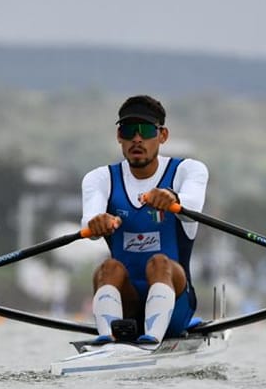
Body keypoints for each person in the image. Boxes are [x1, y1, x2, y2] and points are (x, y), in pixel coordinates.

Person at [80, 94, 209, 345]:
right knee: (108, 268)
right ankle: (108, 340)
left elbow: (192, 203)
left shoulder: (188, 170)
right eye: (129, 131)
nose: (137, 139)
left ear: (162, 135)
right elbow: (88, 222)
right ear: (119, 136)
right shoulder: (100, 178)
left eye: (146, 130)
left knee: (160, 263)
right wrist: (97, 223)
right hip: (125, 303)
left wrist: (172, 197)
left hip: (176, 309)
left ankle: (150, 341)